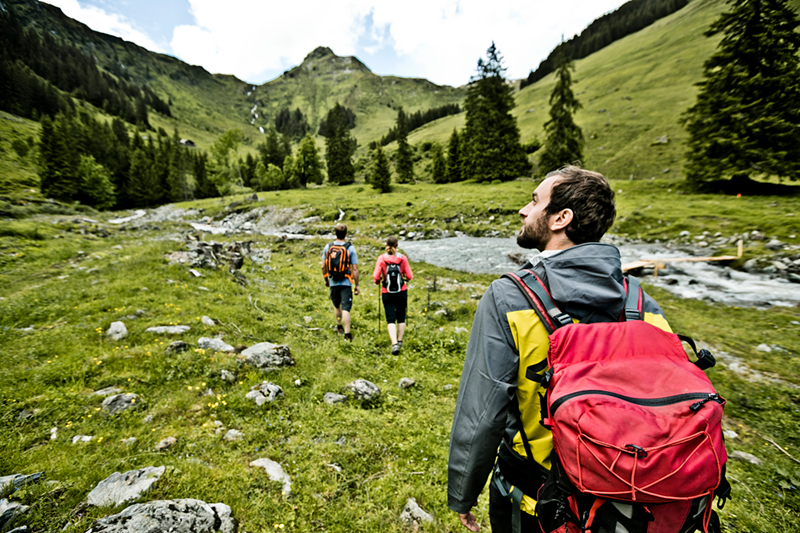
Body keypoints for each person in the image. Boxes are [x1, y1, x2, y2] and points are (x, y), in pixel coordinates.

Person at [447, 166, 673, 532]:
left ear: (561, 218)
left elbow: (481, 413)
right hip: (631, 498)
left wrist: (463, 493)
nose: (524, 210)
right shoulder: (640, 302)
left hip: (536, 499)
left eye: (535, 200)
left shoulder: (509, 297)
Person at [372, 235, 414, 355]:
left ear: (386, 245)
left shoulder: (381, 258)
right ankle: (400, 340)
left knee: (390, 319)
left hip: (387, 291)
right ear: (397, 245)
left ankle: (394, 344)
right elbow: (410, 276)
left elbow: (376, 277)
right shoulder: (402, 258)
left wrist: (378, 281)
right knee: (401, 316)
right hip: (401, 290)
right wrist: (405, 278)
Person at [321, 223, 360, 341]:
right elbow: (355, 268)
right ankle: (347, 335)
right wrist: (357, 285)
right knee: (346, 309)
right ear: (346, 234)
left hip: (333, 281)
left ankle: (339, 327)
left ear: (335, 233)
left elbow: (323, 266)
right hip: (346, 282)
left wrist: (326, 280)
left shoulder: (328, 247)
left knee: (336, 305)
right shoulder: (350, 248)